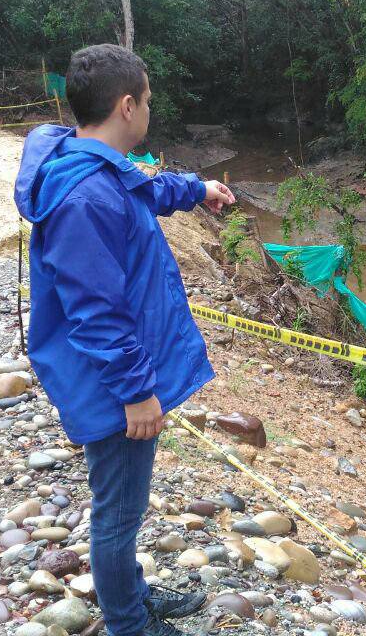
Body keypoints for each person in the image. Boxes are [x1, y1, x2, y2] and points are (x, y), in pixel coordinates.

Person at [13, 44, 234, 636]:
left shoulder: (97, 167)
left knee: (125, 507)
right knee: (117, 514)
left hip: (112, 378)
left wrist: (196, 189)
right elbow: (97, 315)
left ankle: (132, 596)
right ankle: (130, 625)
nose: (150, 113)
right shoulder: (85, 197)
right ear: (127, 105)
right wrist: (138, 393)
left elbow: (143, 190)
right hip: (111, 387)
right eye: (149, 103)